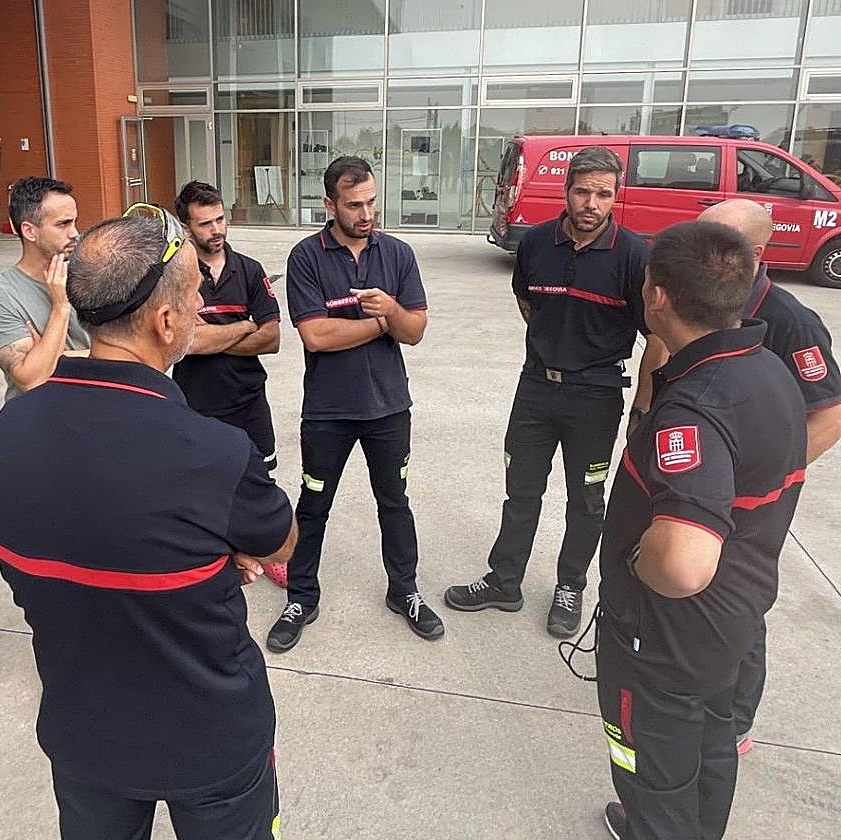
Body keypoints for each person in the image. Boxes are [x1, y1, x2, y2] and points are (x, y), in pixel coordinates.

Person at [0, 206, 296, 840]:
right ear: (165, 321)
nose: (202, 309)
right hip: (211, 740)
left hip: (83, 737)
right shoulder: (213, 452)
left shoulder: (12, 428)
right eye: (195, 298)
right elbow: (280, 543)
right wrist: (219, 549)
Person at [596, 221, 806, 840]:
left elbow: (684, 564)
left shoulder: (695, 408)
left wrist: (635, 559)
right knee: (713, 741)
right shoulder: (767, 370)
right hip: (733, 617)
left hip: (666, 638)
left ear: (658, 296)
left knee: (651, 769)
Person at [445, 146, 664, 639]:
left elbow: (657, 338)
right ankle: (505, 583)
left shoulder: (634, 256)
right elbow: (527, 303)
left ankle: (570, 586)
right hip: (536, 389)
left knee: (585, 498)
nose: (592, 203)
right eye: (583, 192)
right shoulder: (536, 243)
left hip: (597, 396)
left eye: (603, 194)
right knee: (520, 492)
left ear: (616, 196)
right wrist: (554, 346)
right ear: (566, 191)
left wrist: (642, 408)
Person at [266, 155, 444, 653]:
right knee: (314, 505)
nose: (366, 214)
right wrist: (384, 321)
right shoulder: (306, 257)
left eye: (371, 202)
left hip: (389, 407)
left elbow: (415, 330)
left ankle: (404, 591)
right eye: (353, 205)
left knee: (394, 502)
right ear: (330, 204)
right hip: (328, 412)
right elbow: (316, 336)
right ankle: (301, 598)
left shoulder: (398, 254)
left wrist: (393, 312)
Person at [698, 199, 841, 755]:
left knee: (739, 599)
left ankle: (734, 721)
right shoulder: (703, 298)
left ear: (755, 254)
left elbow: (829, 413)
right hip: (704, 482)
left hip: (752, 495)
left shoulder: (789, 321)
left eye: (715, 244)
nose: (699, 253)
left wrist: (767, 479)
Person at [172, 180, 281, 472]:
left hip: (250, 403)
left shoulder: (250, 270)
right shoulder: (174, 276)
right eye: (205, 224)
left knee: (259, 484)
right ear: (186, 227)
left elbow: (271, 339)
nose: (216, 229)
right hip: (197, 406)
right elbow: (186, 342)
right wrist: (244, 326)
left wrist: (208, 337)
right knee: (203, 488)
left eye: (220, 219)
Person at [0, 176, 90, 401]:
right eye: (63, 224)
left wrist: (56, 356)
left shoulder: (91, 275)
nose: (75, 233)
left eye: (75, 222)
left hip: (97, 409)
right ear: (29, 231)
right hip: (41, 416)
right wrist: (60, 307)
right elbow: (34, 380)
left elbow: (136, 351)